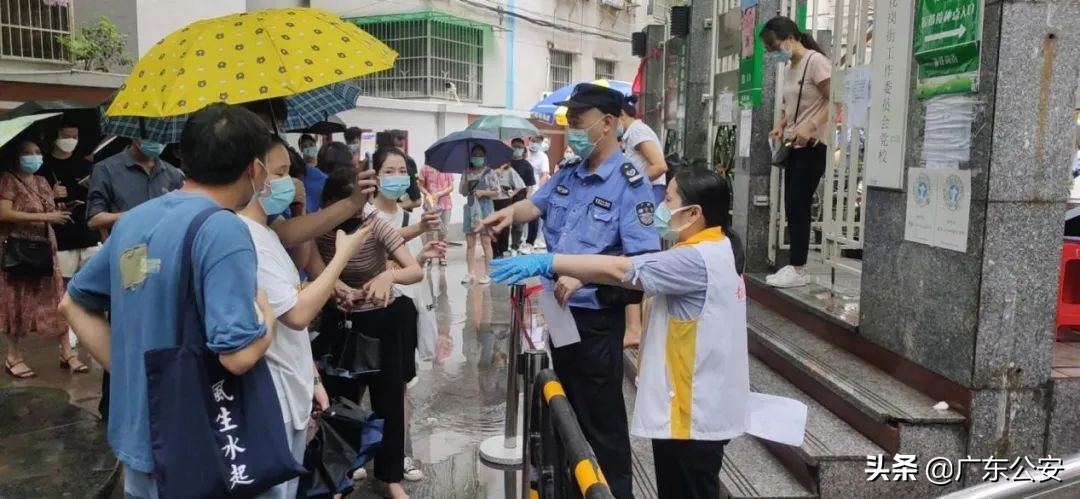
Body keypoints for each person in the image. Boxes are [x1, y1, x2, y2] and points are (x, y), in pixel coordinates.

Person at [488, 169, 763, 499]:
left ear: (693, 213)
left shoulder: (696, 259)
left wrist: (551, 262)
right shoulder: (717, 249)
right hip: (699, 409)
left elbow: (624, 270)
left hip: (693, 416)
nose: (661, 206)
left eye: (669, 200)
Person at [60, 103, 283, 498]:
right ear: (254, 168)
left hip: (141, 441)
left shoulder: (134, 220)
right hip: (199, 447)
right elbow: (237, 356)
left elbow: (71, 303)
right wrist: (269, 320)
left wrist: (130, 368)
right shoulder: (224, 229)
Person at [482, 83, 661, 499]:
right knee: (563, 407)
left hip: (596, 320)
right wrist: (509, 213)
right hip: (558, 312)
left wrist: (584, 276)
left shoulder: (630, 183)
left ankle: (612, 493)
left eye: (579, 124)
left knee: (601, 421)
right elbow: (538, 204)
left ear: (608, 123)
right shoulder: (569, 172)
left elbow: (640, 267)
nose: (573, 132)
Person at [238, 135, 371, 498]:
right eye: (280, 172)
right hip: (272, 394)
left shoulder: (267, 228)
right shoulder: (241, 234)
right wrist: (343, 254)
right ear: (253, 172)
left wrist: (311, 377)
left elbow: (302, 237)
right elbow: (297, 314)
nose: (291, 182)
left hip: (292, 382)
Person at [308, 161, 423, 499]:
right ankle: (337, 474)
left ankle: (389, 478)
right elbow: (314, 269)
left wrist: (389, 275)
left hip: (380, 322)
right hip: (339, 323)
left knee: (389, 401)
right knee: (340, 403)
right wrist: (336, 288)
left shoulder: (375, 224)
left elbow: (414, 270)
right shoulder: (319, 230)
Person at [366, 146, 447, 484]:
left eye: (401, 170)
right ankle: (362, 452)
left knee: (400, 388)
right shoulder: (365, 215)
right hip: (369, 312)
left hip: (403, 312)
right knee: (365, 387)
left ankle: (400, 455)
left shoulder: (410, 217)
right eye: (388, 170)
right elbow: (367, 249)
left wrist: (424, 256)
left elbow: (410, 267)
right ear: (374, 175)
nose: (396, 176)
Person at [0, 139, 80, 379]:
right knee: (16, 302)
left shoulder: (43, 181)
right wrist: (48, 216)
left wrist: (64, 207)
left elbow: (46, 210)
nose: (33, 157)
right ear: (16, 156)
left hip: (45, 248)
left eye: (36, 152)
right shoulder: (7, 179)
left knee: (55, 298)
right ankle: (13, 356)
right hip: (19, 250)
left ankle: (66, 352)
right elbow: (4, 213)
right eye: (27, 152)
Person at [762, 15, 831, 289]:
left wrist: (811, 126)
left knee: (798, 204)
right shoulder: (792, 66)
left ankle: (799, 268)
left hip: (813, 146)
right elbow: (789, 105)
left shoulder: (816, 62)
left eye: (776, 47)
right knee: (792, 204)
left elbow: (835, 98)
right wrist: (780, 125)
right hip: (795, 146)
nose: (775, 54)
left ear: (790, 38)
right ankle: (794, 264)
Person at [38, 121, 101, 349]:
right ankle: (67, 333)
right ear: (55, 136)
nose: (71, 141)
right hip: (61, 236)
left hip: (87, 233)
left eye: (75, 136)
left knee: (91, 282)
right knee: (63, 286)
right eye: (67, 135)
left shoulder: (85, 165)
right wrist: (51, 194)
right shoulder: (44, 166)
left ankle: (89, 327)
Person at [86, 138, 185, 231]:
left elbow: (182, 215)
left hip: (164, 245)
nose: (156, 139)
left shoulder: (173, 174)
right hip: (125, 245)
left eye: (160, 135)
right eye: (150, 134)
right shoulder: (105, 169)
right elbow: (94, 220)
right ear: (135, 134)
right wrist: (136, 215)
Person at [461, 146, 499, 285]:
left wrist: (483, 193)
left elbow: (497, 192)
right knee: (470, 243)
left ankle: (488, 273)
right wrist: (467, 182)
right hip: (470, 209)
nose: (477, 157)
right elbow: (463, 192)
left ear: (484, 157)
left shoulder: (490, 173)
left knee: (486, 243)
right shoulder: (466, 172)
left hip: (486, 210)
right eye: (475, 155)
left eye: (480, 155)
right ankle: (470, 272)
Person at [618, 97, 668, 203]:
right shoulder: (632, 133)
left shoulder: (637, 131)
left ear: (622, 114)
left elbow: (660, 166)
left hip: (651, 189)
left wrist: (633, 181)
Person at [492, 146, 527, 257]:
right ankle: (494, 250)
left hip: (504, 201)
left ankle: (503, 249)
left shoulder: (509, 171)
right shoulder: (489, 171)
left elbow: (520, 185)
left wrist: (512, 193)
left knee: (504, 226)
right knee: (493, 225)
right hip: (491, 200)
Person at [418, 163, 455, 265]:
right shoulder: (425, 168)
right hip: (430, 204)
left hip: (445, 204)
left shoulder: (447, 168)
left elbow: (451, 187)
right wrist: (427, 194)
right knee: (430, 229)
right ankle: (429, 254)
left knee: (443, 230)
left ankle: (442, 255)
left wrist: (439, 194)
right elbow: (420, 185)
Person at [506, 138, 537, 255]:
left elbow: (530, 185)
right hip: (505, 197)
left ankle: (515, 246)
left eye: (519, 147)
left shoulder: (527, 166)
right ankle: (503, 246)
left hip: (520, 197)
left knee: (517, 223)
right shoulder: (506, 163)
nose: (516, 149)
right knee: (504, 222)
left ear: (523, 149)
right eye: (514, 146)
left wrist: (527, 199)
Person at [391, 130, 423, 212]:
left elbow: (417, 199)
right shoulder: (381, 161)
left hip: (404, 209)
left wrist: (395, 207)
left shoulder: (409, 161)